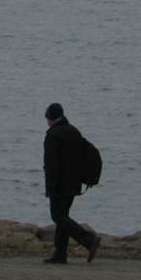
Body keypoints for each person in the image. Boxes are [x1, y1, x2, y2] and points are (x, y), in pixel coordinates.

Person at [42, 101, 100, 264]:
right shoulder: (73, 131)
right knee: (63, 216)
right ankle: (60, 254)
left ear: (51, 118)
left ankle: (89, 240)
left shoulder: (53, 135)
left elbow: (52, 165)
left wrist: (51, 187)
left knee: (58, 216)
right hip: (74, 184)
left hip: (60, 185)